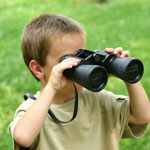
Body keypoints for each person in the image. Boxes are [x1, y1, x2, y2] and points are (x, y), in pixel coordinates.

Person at [9, 13, 150, 150]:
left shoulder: (99, 100)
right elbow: (23, 137)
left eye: (81, 55)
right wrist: (51, 88)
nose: (79, 65)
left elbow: (142, 117)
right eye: (67, 60)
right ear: (38, 69)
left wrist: (128, 75)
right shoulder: (32, 111)